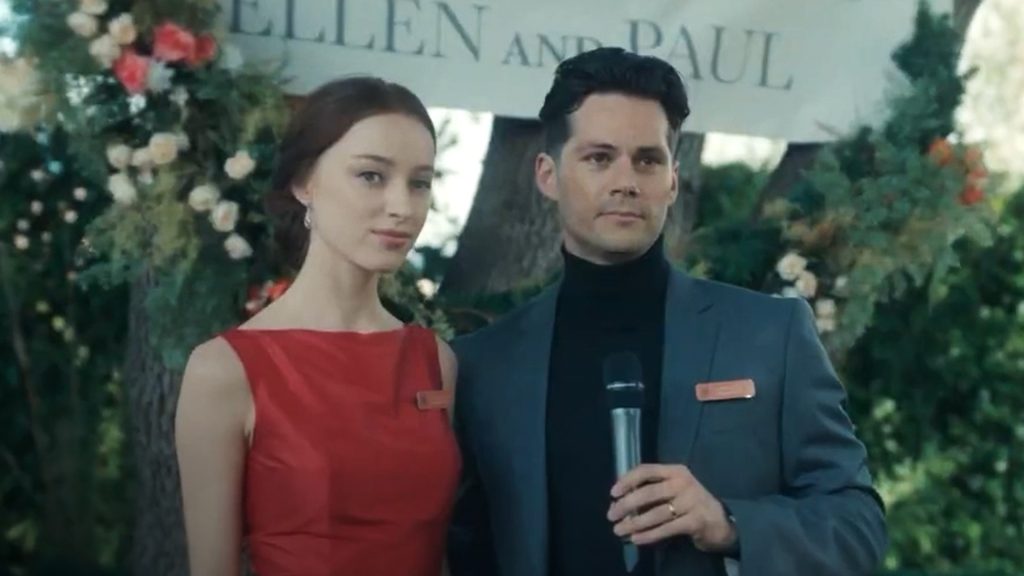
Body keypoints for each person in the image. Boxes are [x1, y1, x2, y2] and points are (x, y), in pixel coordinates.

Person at [447, 47, 887, 576]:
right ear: (547, 174)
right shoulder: (485, 365)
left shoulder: (771, 335)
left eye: (648, 160)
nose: (626, 181)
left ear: (672, 180)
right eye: (599, 158)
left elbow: (858, 526)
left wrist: (728, 523)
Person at [175, 77, 460, 576]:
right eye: (371, 176)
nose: (402, 206)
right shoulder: (223, 371)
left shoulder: (434, 359)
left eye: (419, 182)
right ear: (304, 182)